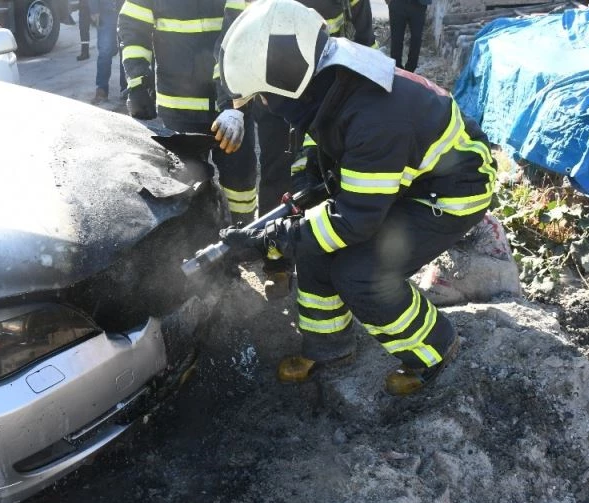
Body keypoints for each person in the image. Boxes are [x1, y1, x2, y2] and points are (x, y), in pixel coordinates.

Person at [217, 0, 497, 395]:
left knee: (360, 272)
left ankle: (435, 346)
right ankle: (329, 347)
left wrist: (275, 238)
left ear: (286, 80)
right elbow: (320, 141)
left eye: (262, 95)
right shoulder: (328, 76)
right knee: (313, 245)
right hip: (402, 179)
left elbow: (354, 221)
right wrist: (303, 190)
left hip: (451, 192)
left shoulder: (374, 117)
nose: (263, 105)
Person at [211, 0, 376, 299]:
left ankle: (333, 256)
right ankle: (277, 264)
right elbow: (229, 46)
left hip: (331, 89)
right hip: (275, 92)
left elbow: (364, 34)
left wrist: (368, 85)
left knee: (329, 175)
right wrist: (230, 106)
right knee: (279, 176)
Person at [118, 0, 258, 225]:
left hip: (232, 103)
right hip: (180, 108)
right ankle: (195, 244)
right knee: (185, 184)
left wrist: (232, 103)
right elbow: (133, 26)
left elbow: (240, 35)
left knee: (240, 181)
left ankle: (243, 235)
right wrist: (138, 82)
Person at [91, 0, 125, 104]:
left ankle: (126, 88)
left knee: (126, 51)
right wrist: (94, 9)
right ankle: (102, 89)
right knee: (105, 51)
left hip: (127, 11)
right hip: (105, 13)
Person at [387, 0, 431, 72]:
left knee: (417, 38)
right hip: (397, 3)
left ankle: (410, 70)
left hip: (419, 5)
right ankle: (396, 69)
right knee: (396, 38)